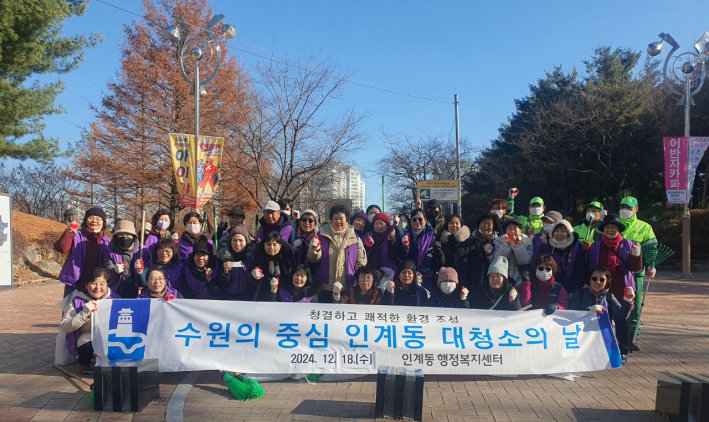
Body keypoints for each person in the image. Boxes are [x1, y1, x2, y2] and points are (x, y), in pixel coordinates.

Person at [588, 213, 642, 357]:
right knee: (603, 317)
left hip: (622, 286)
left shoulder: (628, 244)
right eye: (607, 227)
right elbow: (591, 267)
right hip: (602, 286)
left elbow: (635, 268)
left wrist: (636, 256)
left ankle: (623, 350)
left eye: (613, 227)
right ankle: (602, 349)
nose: (610, 230)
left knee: (623, 320)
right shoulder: (596, 245)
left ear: (619, 229)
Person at [60, 268, 119, 373]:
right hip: (88, 334)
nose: (98, 287)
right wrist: (84, 313)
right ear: (86, 285)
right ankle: (84, 363)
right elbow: (65, 326)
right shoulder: (77, 300)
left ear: (107, 285)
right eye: (93, 283)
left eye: (102, 284)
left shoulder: (115, 299)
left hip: (110, 335)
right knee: (85, 344)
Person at [569, 267, 634, 362]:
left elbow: (621, 316)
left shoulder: (610, 297)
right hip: (583, 333)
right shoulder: (580, 294)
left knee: (626, 322)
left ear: (606, 282)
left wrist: (628, 301)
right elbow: (571, 313)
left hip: (603, 336)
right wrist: (589, 310)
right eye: (594, 279)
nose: (598, 282)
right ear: (590, 280)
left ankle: (622, 352)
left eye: (602, 279)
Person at [619, 196, 657, 351]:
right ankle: (615, 337)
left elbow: (651, 249)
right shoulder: (614, 225)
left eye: (628, 207)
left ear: (636, 209)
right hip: (617, 273)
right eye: (623, 207)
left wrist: (651, 265)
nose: (625, 210)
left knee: (635, 306)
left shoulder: (644, 227)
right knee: (614, 305)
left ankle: (631, 338)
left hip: (636, 274)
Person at [308, 205, 367, 303]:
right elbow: (313, 259)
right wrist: (315, 250)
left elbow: (361, 261)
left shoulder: (355, 238)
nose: (338, 221)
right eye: (335, 218)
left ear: (347, 220)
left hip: (346, 287)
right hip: (325, 286)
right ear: (331, 219)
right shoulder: (321, 235)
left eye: (341, 218)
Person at [55, 206, 111, 297]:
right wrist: (69, 233)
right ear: (85, 220)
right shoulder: (76, 234)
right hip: (75, 282)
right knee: (70, 310)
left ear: (103, 223)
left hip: (97, 285)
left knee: (95, 310)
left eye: (98, 219)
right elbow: (62, 248)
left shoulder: (108, 241)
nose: (94, 221)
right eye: (91, 218)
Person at [534, 220, 586, 296]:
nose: (559, 234)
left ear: (569, 233)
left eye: (563, 231)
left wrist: (574, 290)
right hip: (551, 288)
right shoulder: (547, 244)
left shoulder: (577, 245)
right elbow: (539, 262)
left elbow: (580, 270)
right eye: (556, 231)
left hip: (572, 289)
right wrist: (543, 246)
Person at [439, 214, 486, 289]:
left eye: (457, 223)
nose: (454, 226)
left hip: (466, 284)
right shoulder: (443, 243)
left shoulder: (470, 243)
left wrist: (473, 283)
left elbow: (476, 265)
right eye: (451, 223)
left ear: (461, 225)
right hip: (447, 285)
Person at [398, 208, 440, 291]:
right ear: (410, 221)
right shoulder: (403, 234)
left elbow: (431, 255)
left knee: (425, 302)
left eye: (420, 219)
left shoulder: (431, 235)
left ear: (425, 220)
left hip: (425, 277)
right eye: (414, 219)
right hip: (407, 276)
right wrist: (405, 246)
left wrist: (420, 272)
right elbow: (400, 256)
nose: (417, 222)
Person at [247, 231, 296, 300]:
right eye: (268, 244)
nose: (271, 247)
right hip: (261, 297)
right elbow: (249, 284)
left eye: (274, 244)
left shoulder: (287, 260)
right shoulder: (258, 259)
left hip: (284, 297)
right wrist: (253, 277)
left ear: (280, 245)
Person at [212, 226, 254, 300]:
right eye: (234, 240)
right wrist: (225, 273)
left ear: (246, 241)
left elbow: (253, 285)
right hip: (228, 299)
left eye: (241, 240)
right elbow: (220, 284)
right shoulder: (223, 259)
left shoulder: (252, 260)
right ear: (230, 241)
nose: (237, 244)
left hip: (248, 300)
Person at [100, 220, 139, 296]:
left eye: (128, 235)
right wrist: (114, 271)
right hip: (116, 292)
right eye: (121, 235)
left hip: (137, 292)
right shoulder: (109, 251)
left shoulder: (142, 251)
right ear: (116, 236)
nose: (125, 237)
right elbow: (107, 273)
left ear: (133, 236)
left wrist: (140, 272)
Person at [491, 218, 533, 286]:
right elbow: (499, 261)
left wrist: (517, 245)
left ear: (520, 230)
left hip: (522, 279)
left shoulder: (527, 242)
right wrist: (505, 245)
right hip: (504, 280)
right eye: (509, 228)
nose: (512, 231)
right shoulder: (499, 242)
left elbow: (525, 261)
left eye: (515, 228)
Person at [259, 264, 323, 303]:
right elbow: (270, 308)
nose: (299, 278)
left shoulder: (312, 295)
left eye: (302, 276)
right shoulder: (282, 291)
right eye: (296, 275)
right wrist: (272, 292)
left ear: (307, 278)